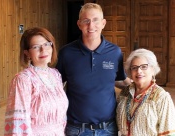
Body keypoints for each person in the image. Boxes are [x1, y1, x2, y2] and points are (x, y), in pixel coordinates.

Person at [56, 2, 131, 136]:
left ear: (103, 23)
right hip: (76, 128)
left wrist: (144, 86)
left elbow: (119, 80)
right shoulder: (66, 53)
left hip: (108, 128)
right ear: (79, 24)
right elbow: (57, 85)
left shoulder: (115, 52)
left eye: (95, 20)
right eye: (86, 21)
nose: (91, 26)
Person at [4, 27, 68, 136]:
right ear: (27, 53)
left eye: (47, 44)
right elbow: (18, 122)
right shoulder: (23, 79)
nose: (43, 50)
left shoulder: (55, 74)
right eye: (36, 47)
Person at [116, 48, 175, 136]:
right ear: (130, 72)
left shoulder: (161, 97)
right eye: (134, 67)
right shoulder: (124, 93)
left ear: (153, 69)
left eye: (144, 66)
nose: (139, 71)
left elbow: (169, 132)